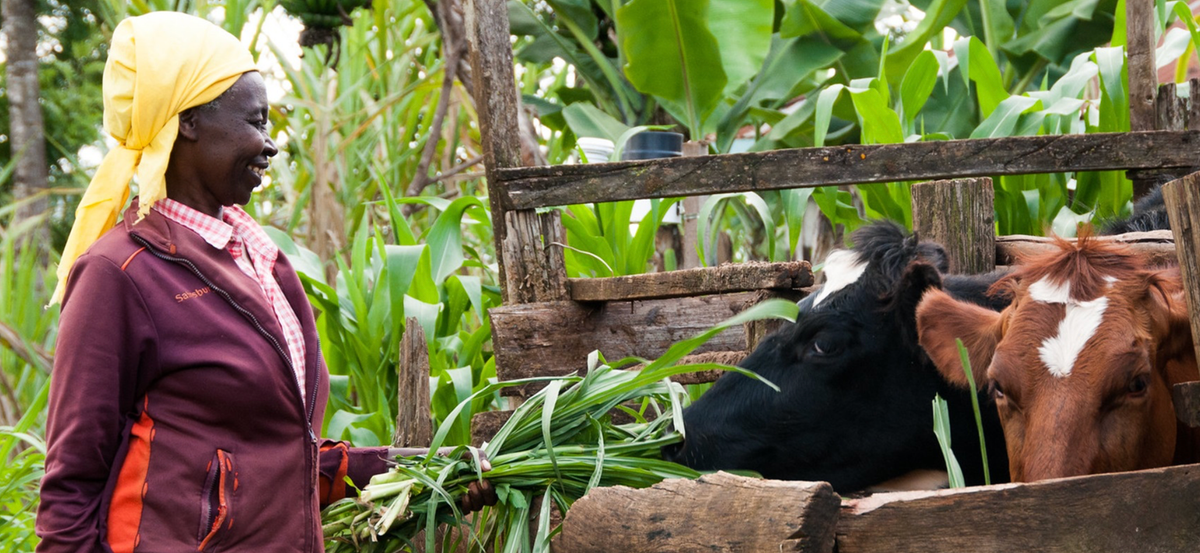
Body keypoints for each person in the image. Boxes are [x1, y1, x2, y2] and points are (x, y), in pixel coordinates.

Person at [37, 12, 491, 553]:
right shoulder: (121, 273)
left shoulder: (261, 260)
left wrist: (432, 470)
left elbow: (283, 452)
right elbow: (71, 482)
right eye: (256, 122)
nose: (270, 146)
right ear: (188, 122)